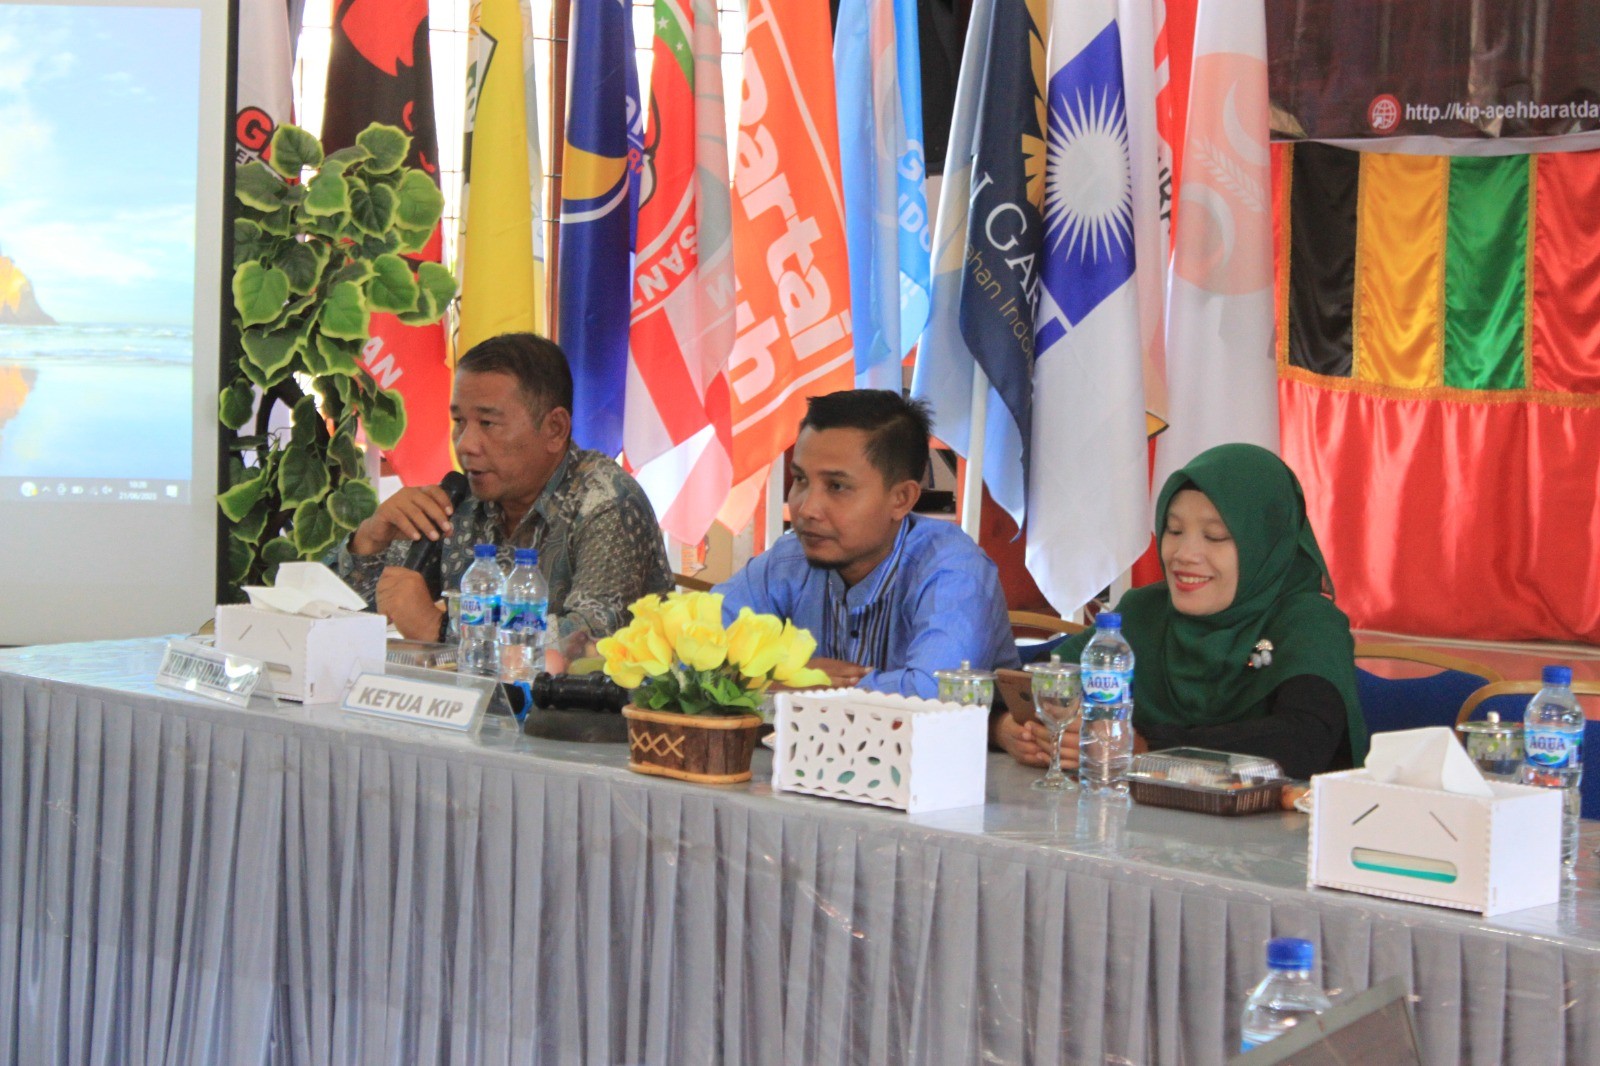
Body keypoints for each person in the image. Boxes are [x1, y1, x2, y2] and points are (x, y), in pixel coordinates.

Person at [995, 443, 1366, 781]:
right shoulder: (1145, 612)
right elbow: (1035, 681)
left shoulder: (1308, 623)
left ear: (1265, 543)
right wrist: (1007, 728)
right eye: (1173, 531)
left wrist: (1147, 748)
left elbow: (1303, 741)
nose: (1184, 555)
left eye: (1215, 536)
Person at [337, 332, 673, 644]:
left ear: (555, 429)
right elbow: (344, 618)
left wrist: (439, 627)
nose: (465, 444)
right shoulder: (460, 500)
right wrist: (369, 541)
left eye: (488, 423)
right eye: (459, 422)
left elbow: (589, 640)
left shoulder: (605, 502)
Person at [716, 389, 1019, 698]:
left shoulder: (953, 570)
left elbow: (937, 692)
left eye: (837, 486)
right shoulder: (787, 562)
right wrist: (783, 679)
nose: (806, 509)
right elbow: (693, 657)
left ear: (901, 499)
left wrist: (796, 682)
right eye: (801, 480)